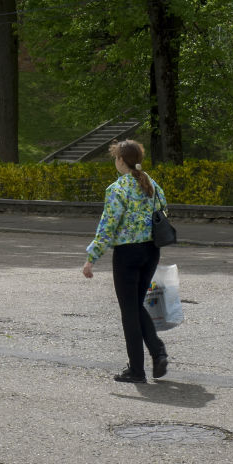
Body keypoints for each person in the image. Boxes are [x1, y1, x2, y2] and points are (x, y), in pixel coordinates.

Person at [82, 139, 169, 384]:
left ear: (121, 160)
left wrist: (92, 258)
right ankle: (157, 351)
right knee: (136, 305)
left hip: (128, 254)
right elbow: (164, 209)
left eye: (116, 158)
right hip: (151, 251)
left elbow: (107, 226)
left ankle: (137, 370)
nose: (115, 162)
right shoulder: (151, 184)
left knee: (129, 311)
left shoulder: (117, 189)